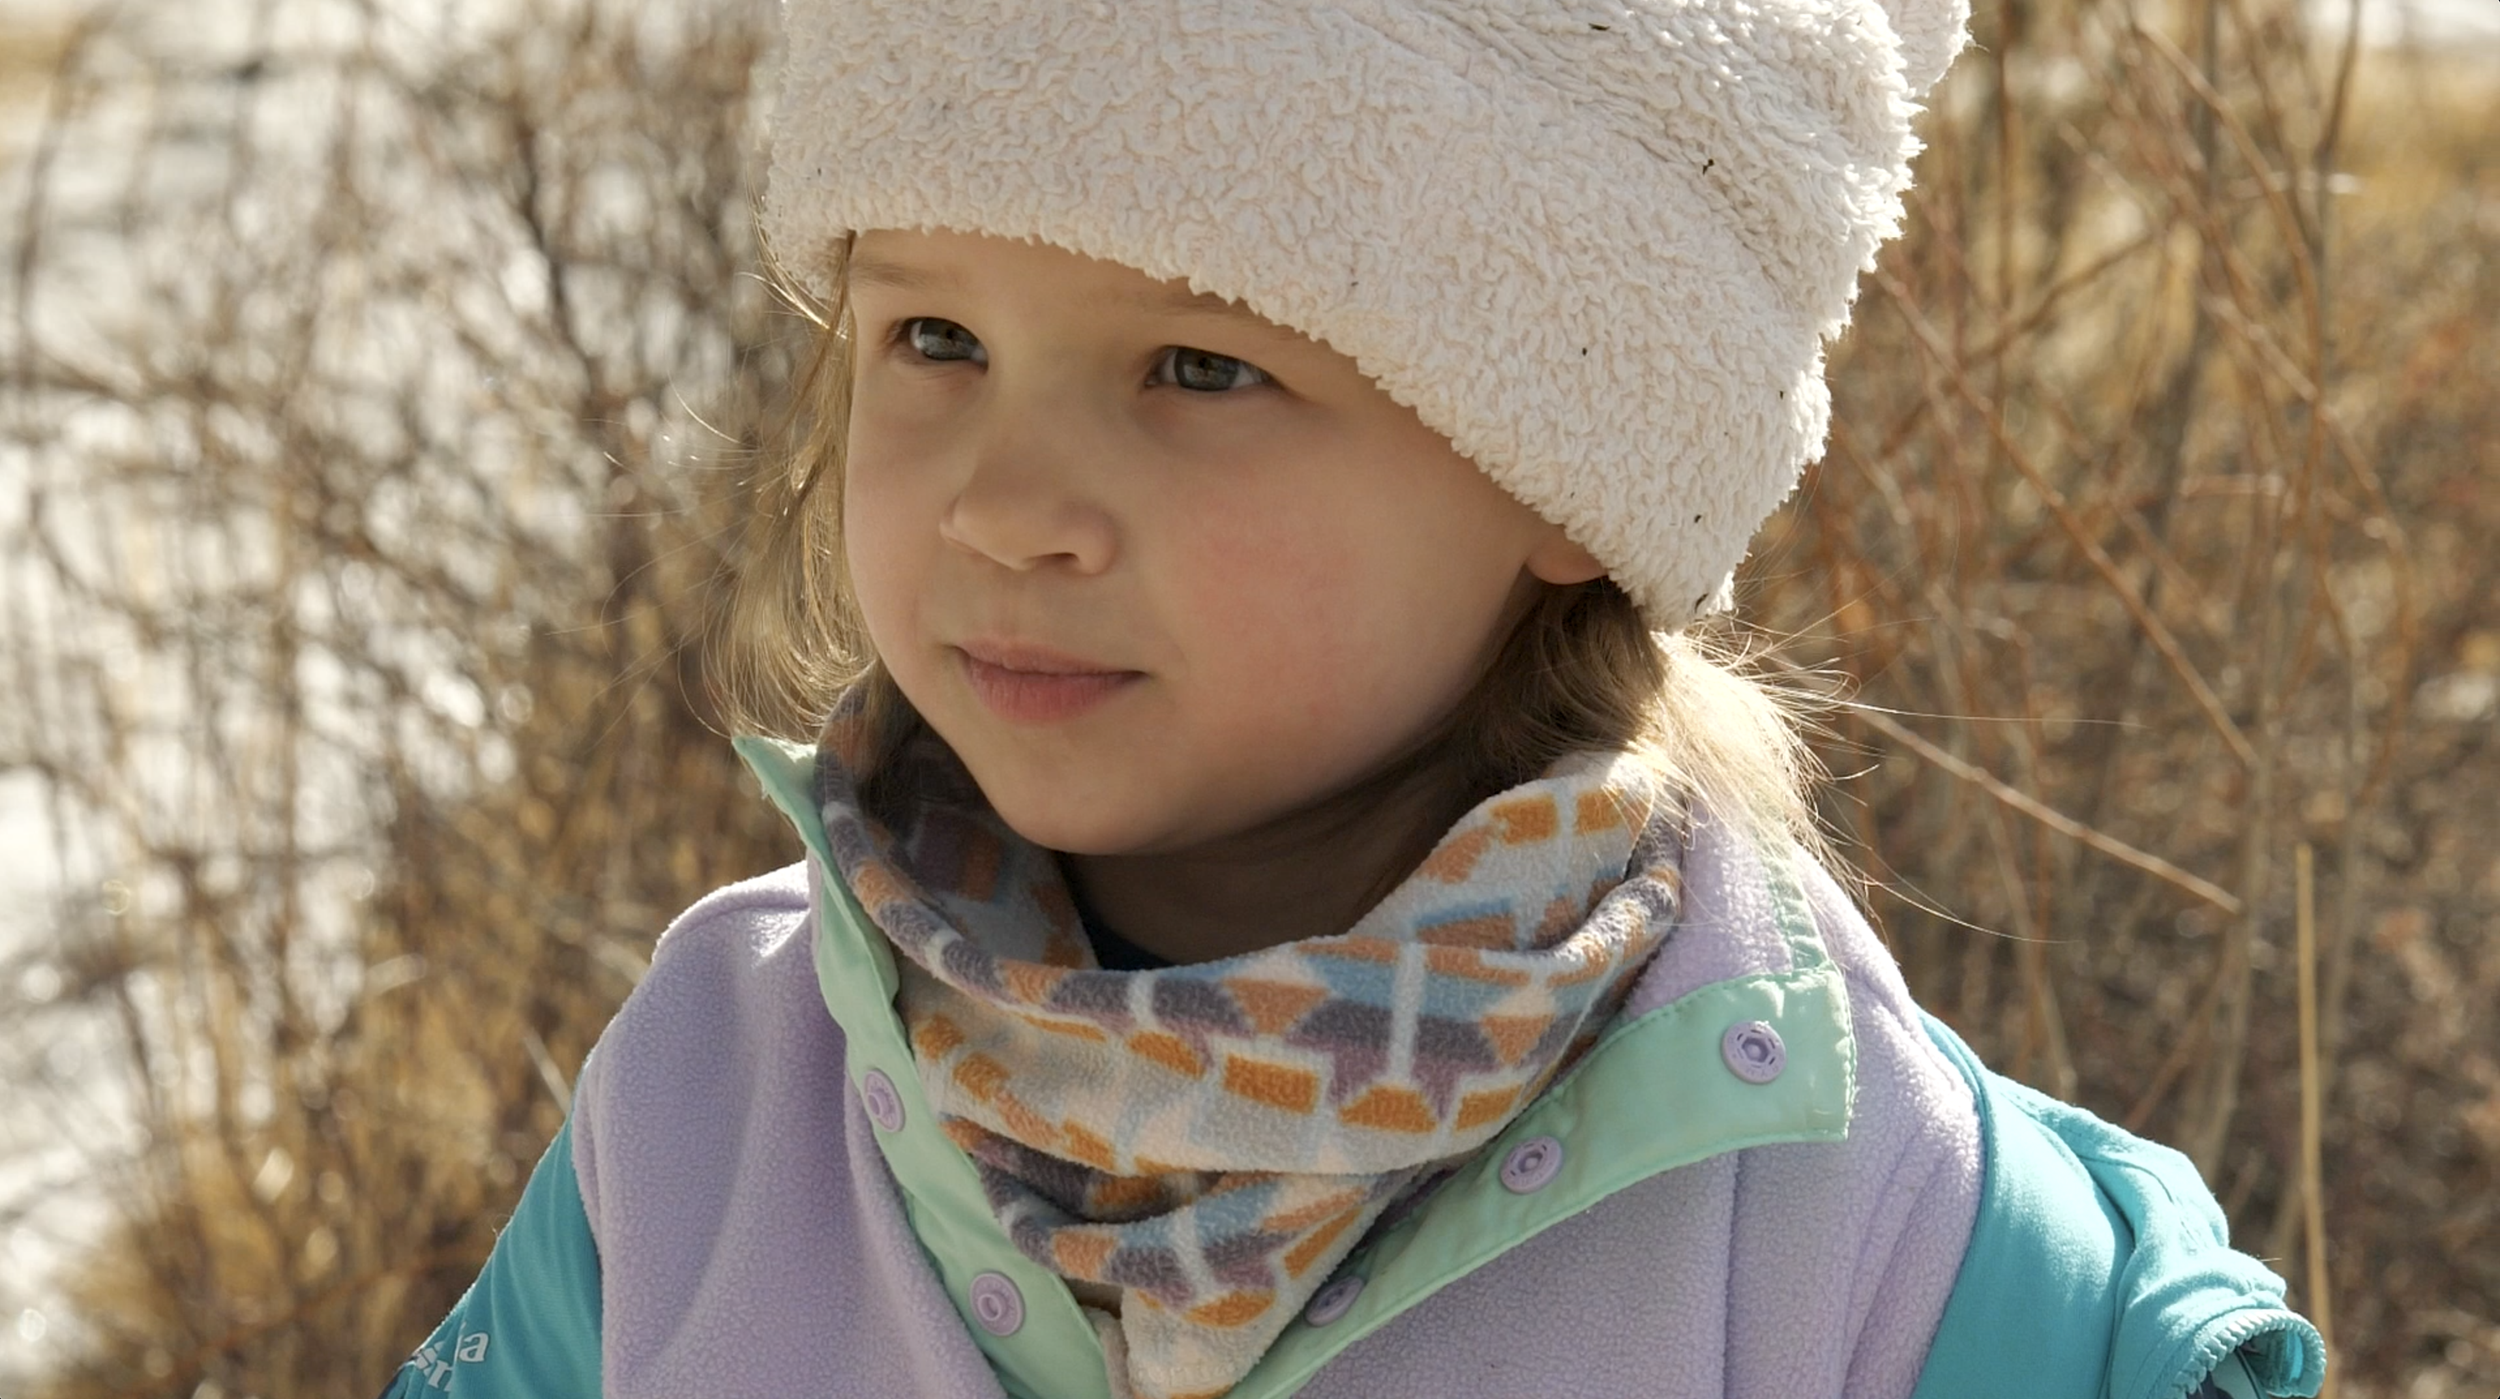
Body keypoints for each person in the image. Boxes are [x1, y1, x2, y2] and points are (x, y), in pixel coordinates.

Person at [386, 1, 2328, 1396]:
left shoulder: (1885, 1266)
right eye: (934, 336)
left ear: (1569, 465)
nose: (1004, 504)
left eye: (1199, 371)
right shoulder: (713, 1114)